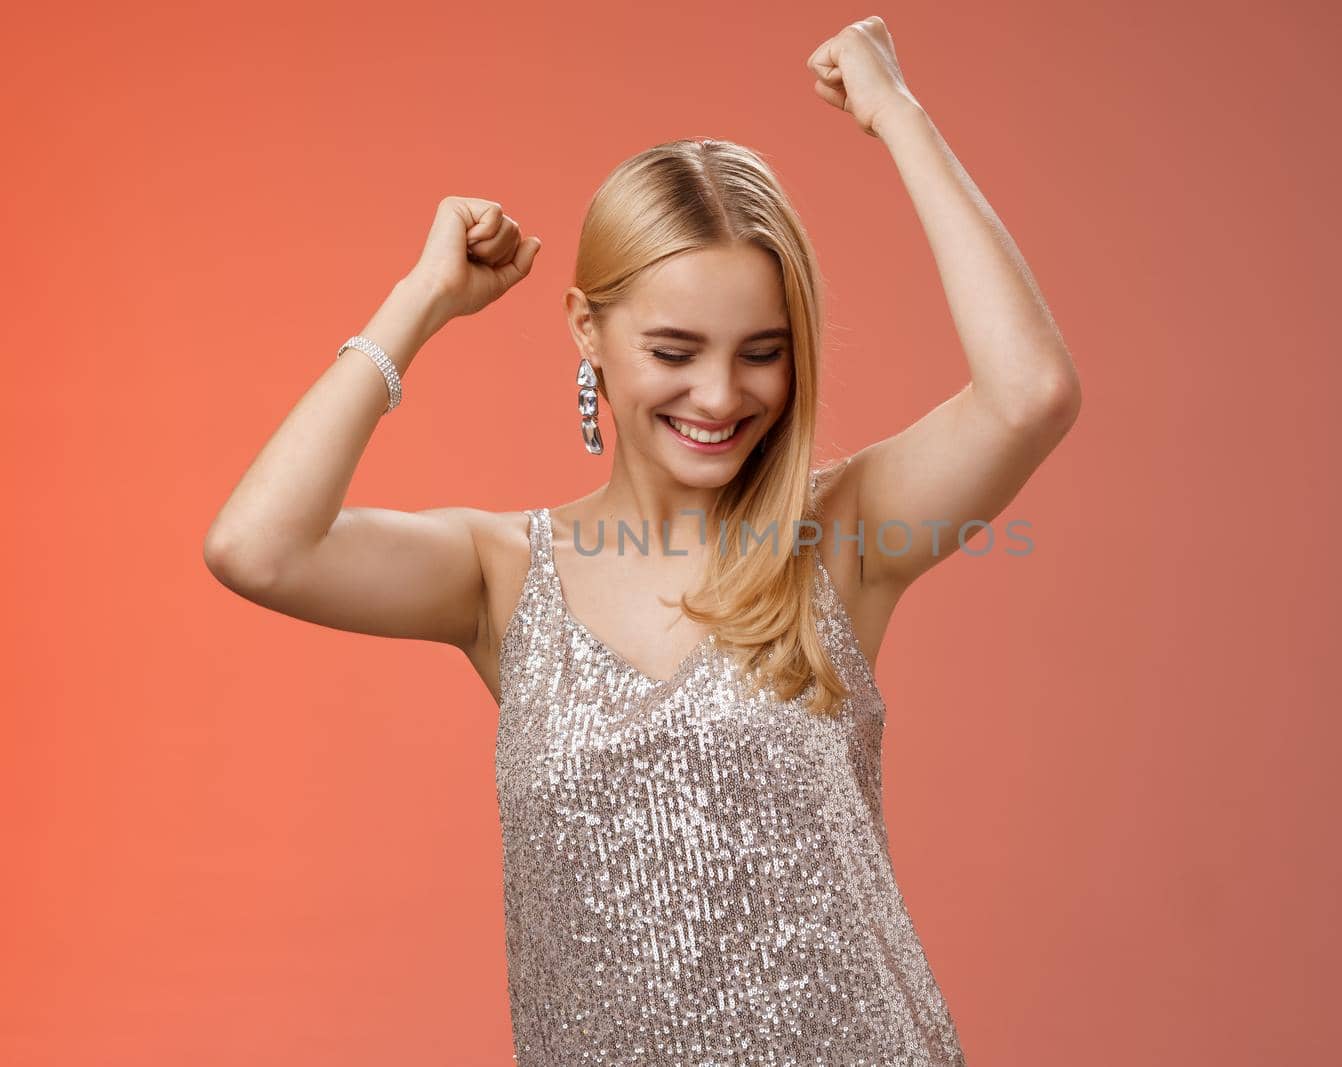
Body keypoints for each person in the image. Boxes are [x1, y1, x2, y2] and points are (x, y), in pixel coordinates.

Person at [203, 16, 1080, 1065]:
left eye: (762, 351)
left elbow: (1031, 392)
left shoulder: (838, 537)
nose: (720, 394)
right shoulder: (501, 574)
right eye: (674, 349)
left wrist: (898, 115)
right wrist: (418, 301)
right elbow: (257, 546)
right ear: (587, 329)